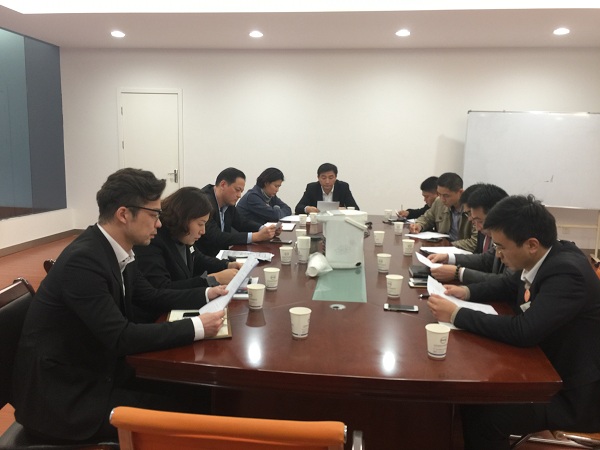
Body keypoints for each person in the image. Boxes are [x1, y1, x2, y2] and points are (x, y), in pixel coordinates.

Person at [12, 168, 227, 443]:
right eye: (154, 215)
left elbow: (151, 296)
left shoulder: (117, 250)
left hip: (97, 373)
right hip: (66, 399)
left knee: (200, 391)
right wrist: (197, 326)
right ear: (124, 214)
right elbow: (120, 337)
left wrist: (208, 293)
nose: (159, 225)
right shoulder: (84, 261)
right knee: (192, 411)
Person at [427, 195, 600, 450]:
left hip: (574, 395)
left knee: (486, 416)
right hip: (544, 368)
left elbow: (524, 330)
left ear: (531, 244)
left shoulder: (567, 272)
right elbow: (507, 285)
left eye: (501, 247)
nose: (497, 254)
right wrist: (466, 292)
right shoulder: (544, 256)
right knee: (473, 398)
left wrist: (456, 315)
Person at [135, 186, 241, 293]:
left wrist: (226, 265)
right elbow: (162, 288)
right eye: (200, 224)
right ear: (184, 218)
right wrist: (213, 279)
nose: (203, 231)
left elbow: (197, 259)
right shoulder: (153, 240)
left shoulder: (182, 235)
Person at [429, 183, 510, 284]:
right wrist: (448, 258)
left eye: (479, 220)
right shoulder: (485, 231)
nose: (471, 219)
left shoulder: (514, 238)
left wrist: (459, 273)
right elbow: (486, 260)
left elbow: (507, 282)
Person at [195, 167, 277, 257]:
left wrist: (264, 229)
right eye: (237, 190)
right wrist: (256, 236)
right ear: (223, 185)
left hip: (221, 255)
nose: (239, 195)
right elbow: (216, 236)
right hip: (205, 258)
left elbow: (241, 222)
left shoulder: (227, 201)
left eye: (241, 191)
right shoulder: (204, 203)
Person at [409, 172, 477, 251]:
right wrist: (419, 225)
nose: (442, 199)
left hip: (460, 251)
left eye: (446, 195)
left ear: (460, 192)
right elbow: (427, 218)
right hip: (442, 249)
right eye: (439, 194)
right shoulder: (439, 202)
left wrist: (449, 245)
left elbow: (475, 242)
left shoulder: (472, 208)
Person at [294, 162, 359, 214]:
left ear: (335, 177)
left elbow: (356, 209)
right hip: (318, 222)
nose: (327, 181)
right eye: (323, 178)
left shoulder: (343, 187)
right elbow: (298, 208)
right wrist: (308, 209)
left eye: (330, 178)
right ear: (318, 178)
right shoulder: (312, 188)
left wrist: (345, 210)